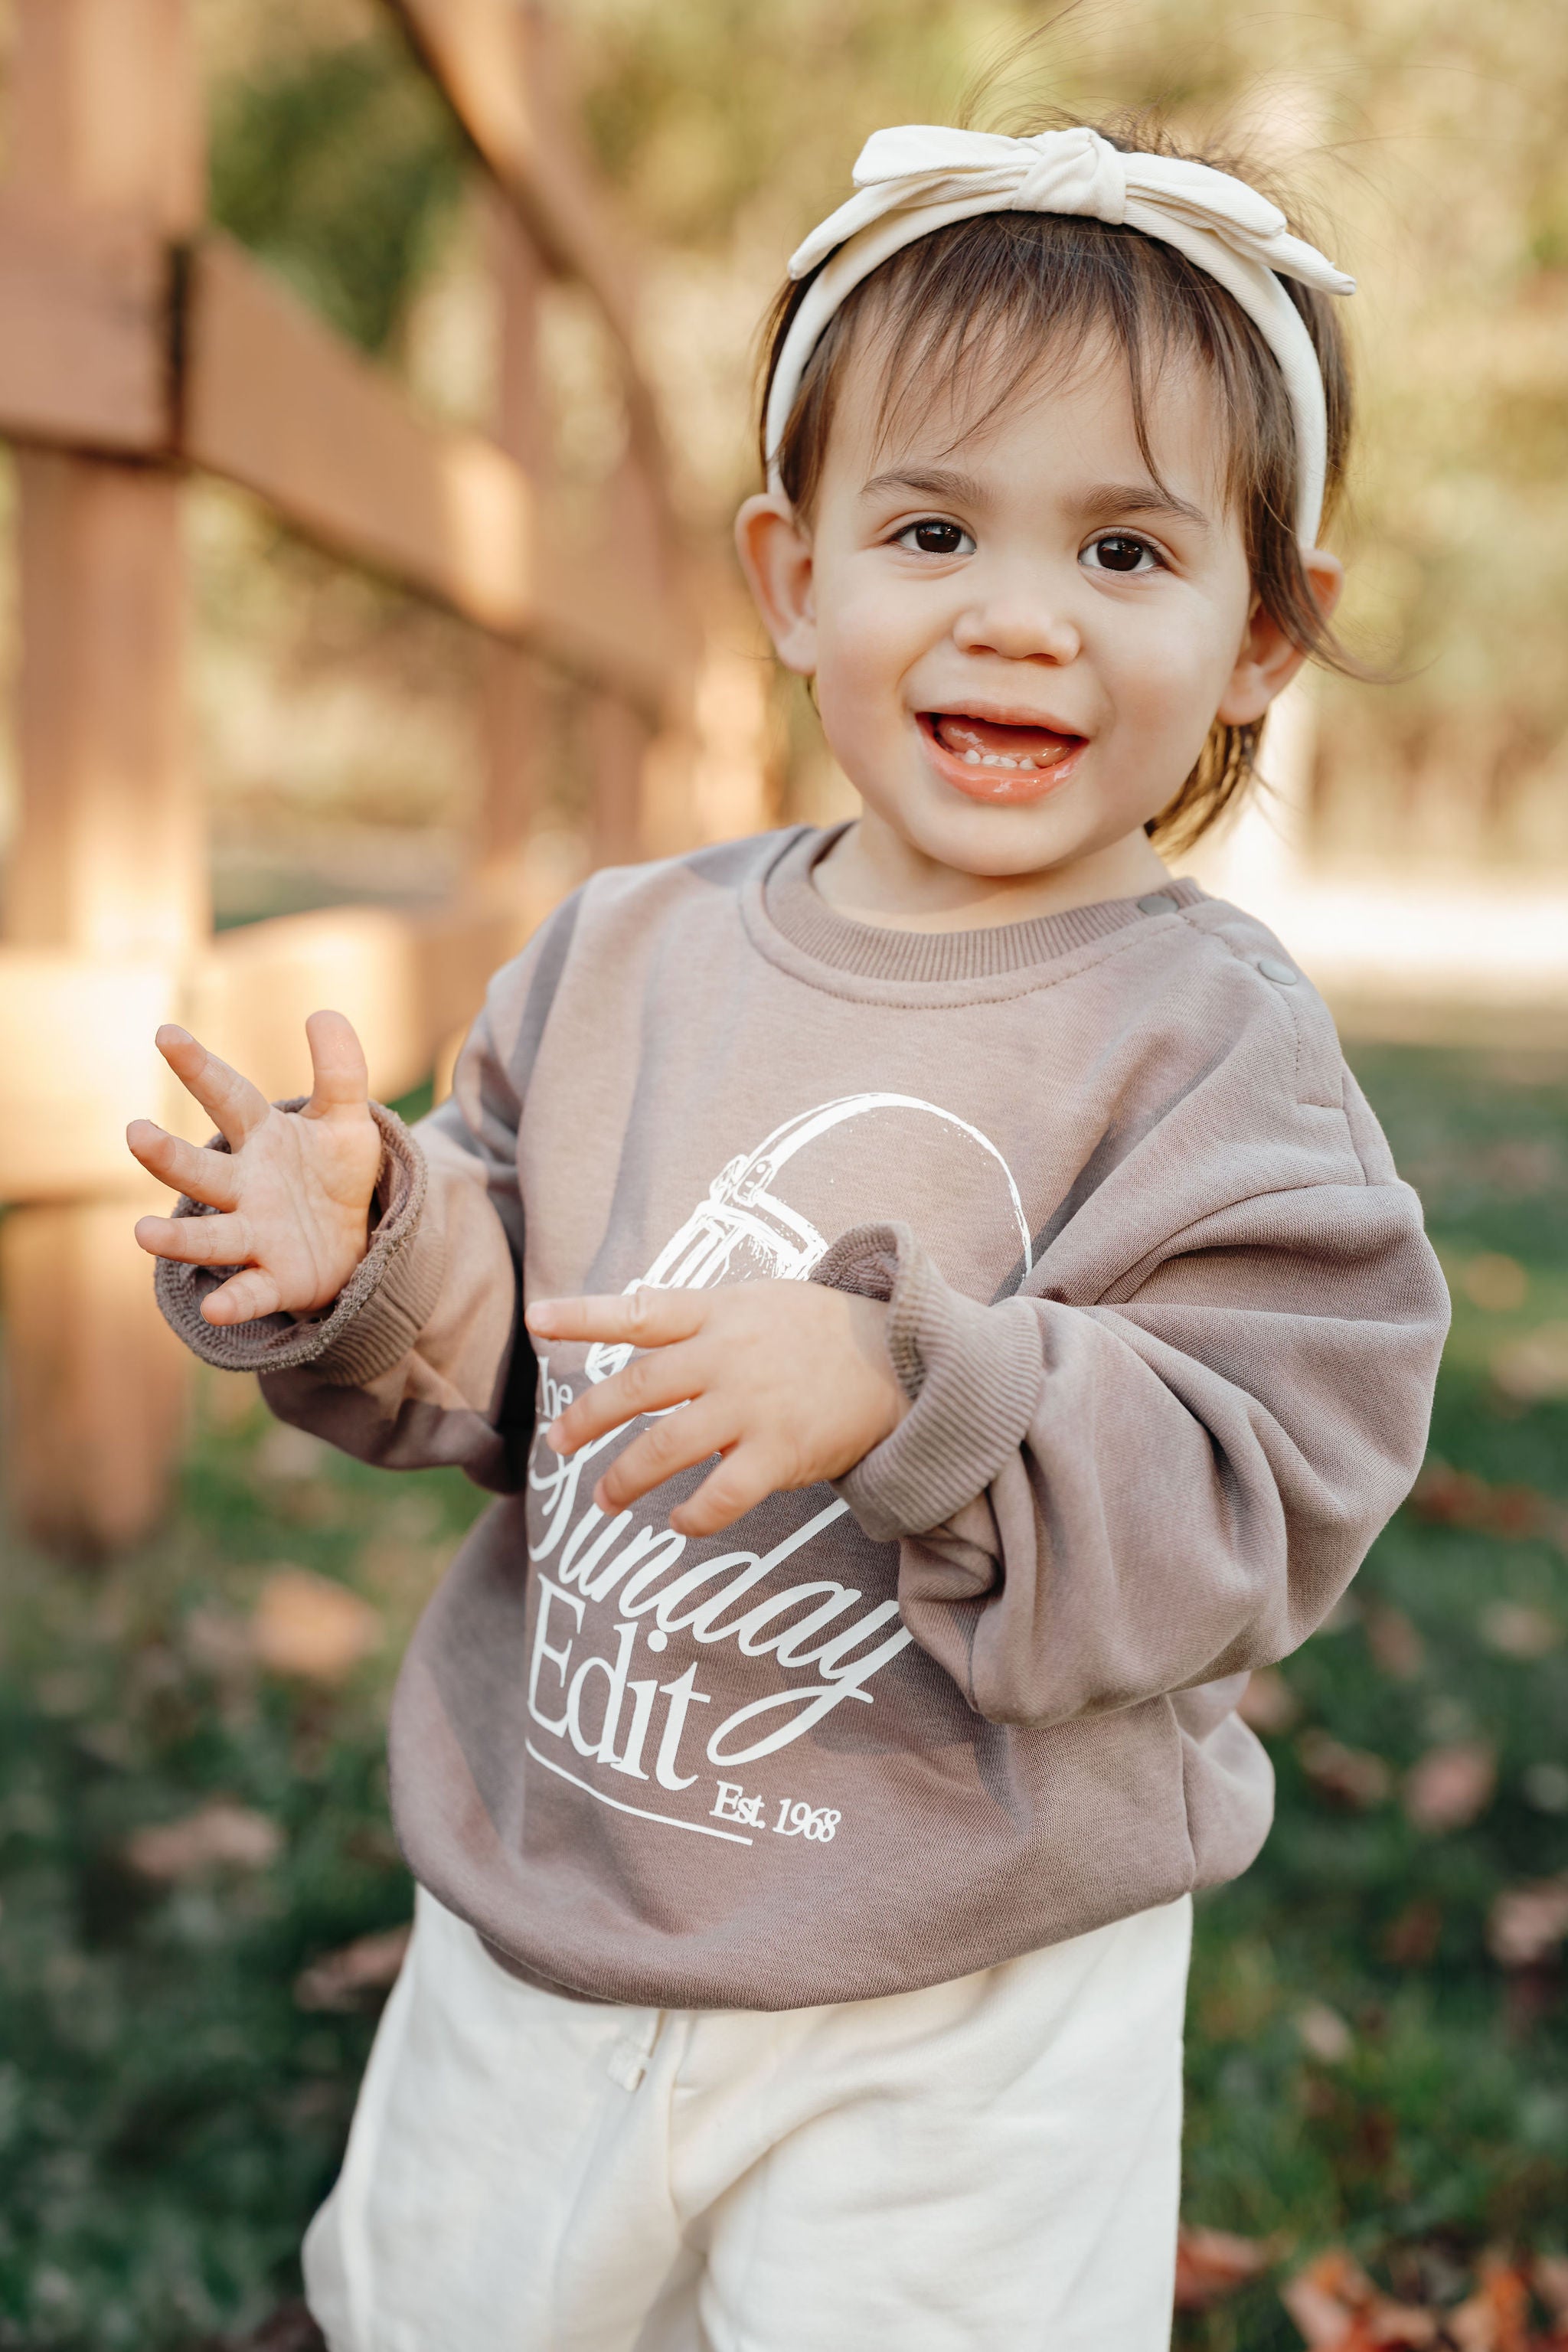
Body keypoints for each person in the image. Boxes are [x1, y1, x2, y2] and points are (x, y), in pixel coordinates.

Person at [131, 115, 1449, 2352]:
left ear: (1263, 635)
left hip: (964, 1981)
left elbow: (1270, 1469)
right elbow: (519, 1338)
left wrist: (922, 1392)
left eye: (1127, 551)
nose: (1017, 614)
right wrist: (366, 1240)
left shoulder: (1215, 1056)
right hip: (567, 1879)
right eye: (932, 526)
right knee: (458, 2306)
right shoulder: (633, 950)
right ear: (792, 575)